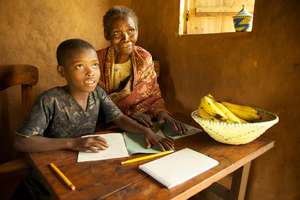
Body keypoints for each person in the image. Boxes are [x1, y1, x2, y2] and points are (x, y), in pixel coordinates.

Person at [12, 38, 173, 199]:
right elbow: (22, 141)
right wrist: (72, 143)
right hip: (50, 173)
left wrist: (146, 131)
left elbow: (119, 118)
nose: (90, 72)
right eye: (79, 66)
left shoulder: (98, 94)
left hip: (82, 165)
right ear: (62, 71)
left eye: (94, 64)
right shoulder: (50, 100)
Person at [97, 6, 187, 134]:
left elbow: (153, 96)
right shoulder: (96, 61)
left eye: (131, 30)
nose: (126, 38)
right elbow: (91, 104)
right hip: (106, 128)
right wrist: (127, 116)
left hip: (143, 124)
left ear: (138, 31)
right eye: (117, 33)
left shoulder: (144, 58)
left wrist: (162, 114)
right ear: (107, 35)